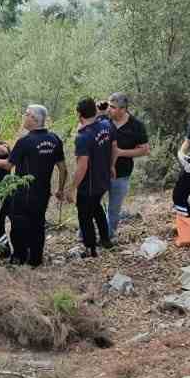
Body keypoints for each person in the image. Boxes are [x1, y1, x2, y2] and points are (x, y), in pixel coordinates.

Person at [5, 104, 67, 267]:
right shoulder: (54, 139)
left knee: (18, 225)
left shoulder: (25, 141)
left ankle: (19, 257)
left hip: (23, 193)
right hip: (42, 193)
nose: (24, 117)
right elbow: (62, 167)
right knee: (38, 225)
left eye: (26, 114)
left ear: (33, 119)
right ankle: (36, 260)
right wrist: (60, 189)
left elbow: (7, 166)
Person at [63, 97, 114, 258]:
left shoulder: (83, 137)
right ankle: (106, 239)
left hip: (90, 183)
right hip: (104, 178)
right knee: (97, 208)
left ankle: (90, 248)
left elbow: (82, 165)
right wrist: (112, 165)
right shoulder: (106, 126)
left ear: (79, 114)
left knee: (85, 215)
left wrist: (72, 188)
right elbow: (114, 147)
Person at [105, 92, 149, 241]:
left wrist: (121, 152)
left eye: (113, 107)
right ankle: (84, 234)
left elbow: (144, 149)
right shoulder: (103, 120)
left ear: (123, 109)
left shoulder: (136, 126)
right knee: (91, 203)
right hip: (99, 171)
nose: (109, 109)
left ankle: (108, 237)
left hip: (121, 173)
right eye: (108, 105)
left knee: (113, 208)